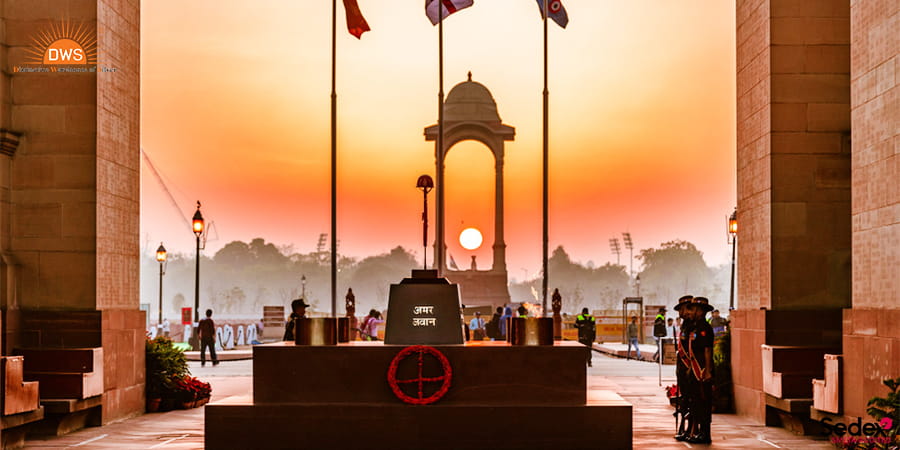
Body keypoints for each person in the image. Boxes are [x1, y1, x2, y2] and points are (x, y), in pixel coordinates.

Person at [685, 297, 715, 444]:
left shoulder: (705, 328)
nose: (691, 312)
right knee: (697, 401)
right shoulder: (695, 327)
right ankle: (700, 432)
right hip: (695, 369)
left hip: (702, 370)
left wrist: (708, 370)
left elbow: (707, 350)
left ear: (700, 311)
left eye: (693, 310)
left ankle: (705, 433)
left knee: (704, 402)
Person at [673, 295, 694, 441]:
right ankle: (683, 428)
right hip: (682, 367)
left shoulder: (692, 325)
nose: (681, 312)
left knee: (690, 400)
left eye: (683, 309)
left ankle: (690, 429)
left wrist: (689, 367)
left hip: (690, 368)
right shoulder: (684, 325)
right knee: (684, 399)